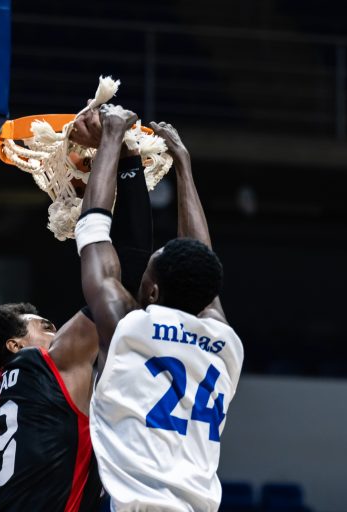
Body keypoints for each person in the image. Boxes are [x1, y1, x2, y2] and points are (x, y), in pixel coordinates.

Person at [0, 108, 155, 512]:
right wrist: (121, 155)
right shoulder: (48, 367)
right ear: (15, 345)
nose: (56, 331)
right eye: (43, 326)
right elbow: (124, 277)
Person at [76, 105, 244, 511]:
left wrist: (112, 136)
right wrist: (183, 165)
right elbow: (201, 259)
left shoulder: (129, 327)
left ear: (150, 290)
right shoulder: (226, 344)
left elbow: (93, 230)